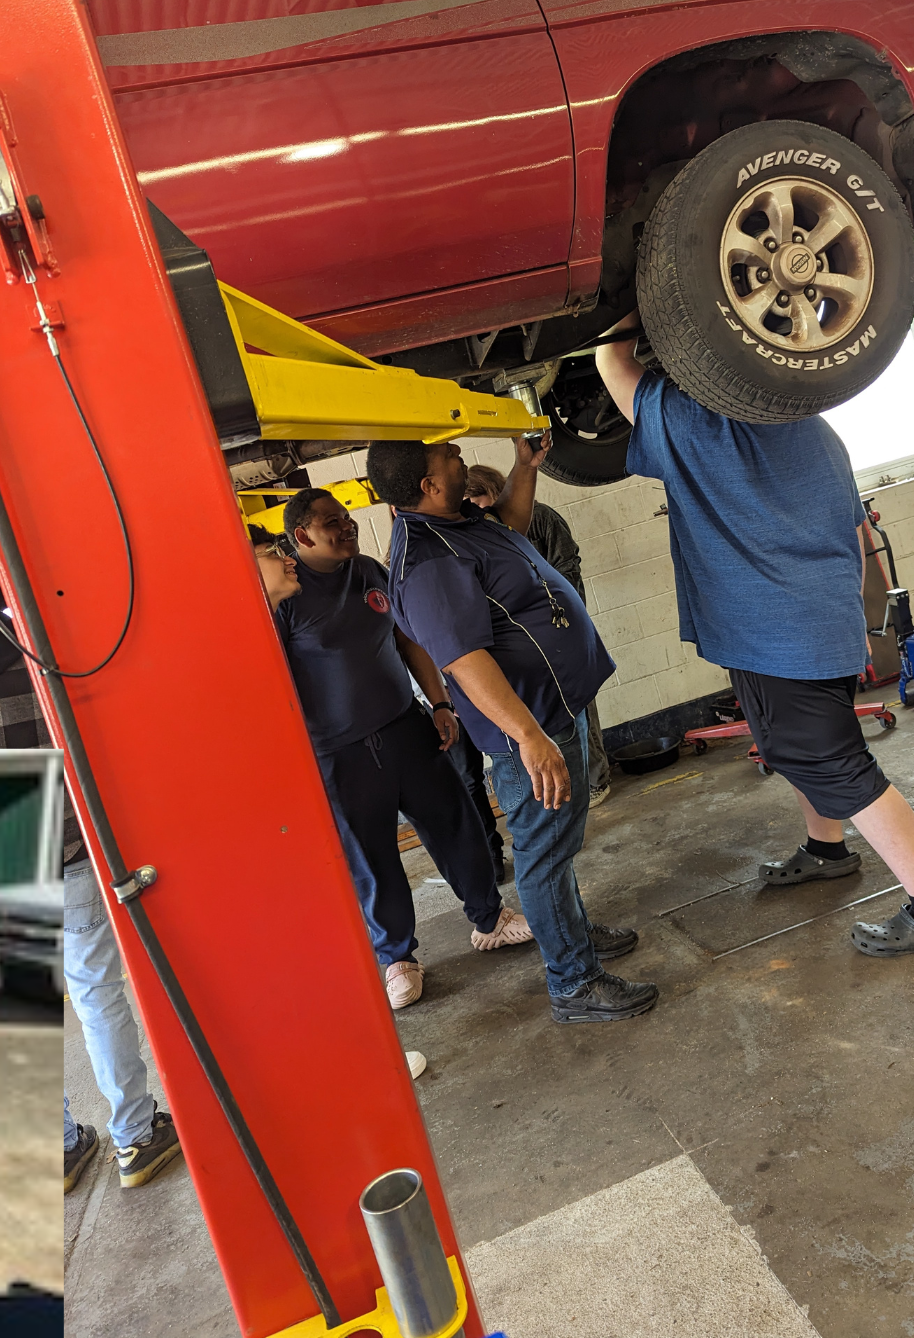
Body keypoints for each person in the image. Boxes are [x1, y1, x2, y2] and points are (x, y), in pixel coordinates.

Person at [594, 313, 914, 955]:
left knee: (833, 762)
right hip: (812, 622)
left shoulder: (699, 423)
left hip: (778, 633)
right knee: (790, 745)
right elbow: (858, 532)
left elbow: (613, 365)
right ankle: (826, 849)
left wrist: (622, 313)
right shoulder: (808, 422)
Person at [367, 435, 658, 1023]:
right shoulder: (429, 564)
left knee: (556, 843)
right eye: (447, 458)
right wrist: (528, 737)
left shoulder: (458, 524)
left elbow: (514, 529)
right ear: (427, 485)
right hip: (531, 725)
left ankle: (571, 934)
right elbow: (464, 660)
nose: (458, 458)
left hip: (550, 709)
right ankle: (573, 982)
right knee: (543, 853)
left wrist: (526, 468)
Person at [274, 487, 533, 1012]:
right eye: (331, 522)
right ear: (302, 535)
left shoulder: (369, 570)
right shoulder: (287, 596)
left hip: (403, 727)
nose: (346, 526)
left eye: (346, 517)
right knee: (373, 859)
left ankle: (490, 919)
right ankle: (397, 958)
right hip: (339, 753)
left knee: (455, 824)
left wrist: (438, 702)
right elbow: (271, 680)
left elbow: (406, 638)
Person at [0, 571, 183, 1192]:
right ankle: (135, 1136)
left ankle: (64, 1146)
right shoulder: (14, 633)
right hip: (59, 844)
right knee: (95, 988)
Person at [465, 463, 611, 807]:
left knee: (580, 709)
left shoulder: (541, 519)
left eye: (480, 501)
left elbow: (566, 575)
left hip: (557, 636)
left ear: (495, 491)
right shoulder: (470, 536)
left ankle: (596, 780)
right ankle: (559, 788)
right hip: (518, 650)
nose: (478, 512)